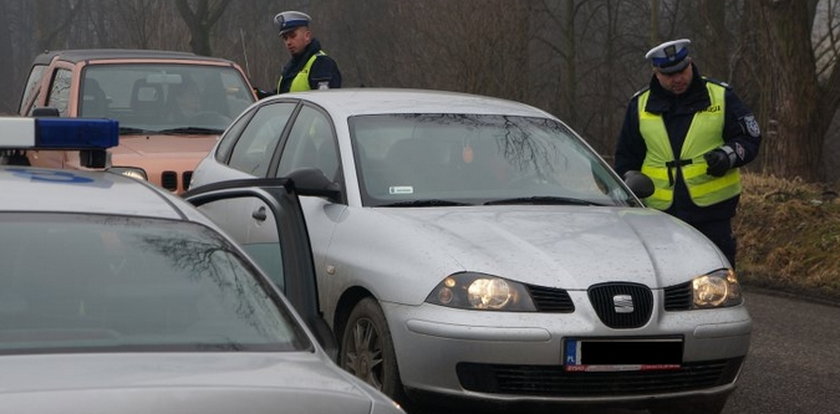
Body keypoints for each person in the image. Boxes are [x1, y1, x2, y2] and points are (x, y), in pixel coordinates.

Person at [614, 38, 761, 268]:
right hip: (659, 215)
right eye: (669, 74)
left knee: (716, 279)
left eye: (682, 70)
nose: (678, 79)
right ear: (656, 73)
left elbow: (750, 137)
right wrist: (630, 184)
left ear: (690, 63)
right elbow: (626, 158)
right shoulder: (640, 105)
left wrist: (727, 155)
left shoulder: (721, 96)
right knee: (667, 277)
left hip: (712, 214)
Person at [255, 11, 341, 98]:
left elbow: (325, 102)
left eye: (293, 36)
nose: (288, 42)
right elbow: (281, 97)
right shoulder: (291, 67)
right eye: (285, 38)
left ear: (307, 36)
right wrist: (259, 95)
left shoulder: (322, 64)